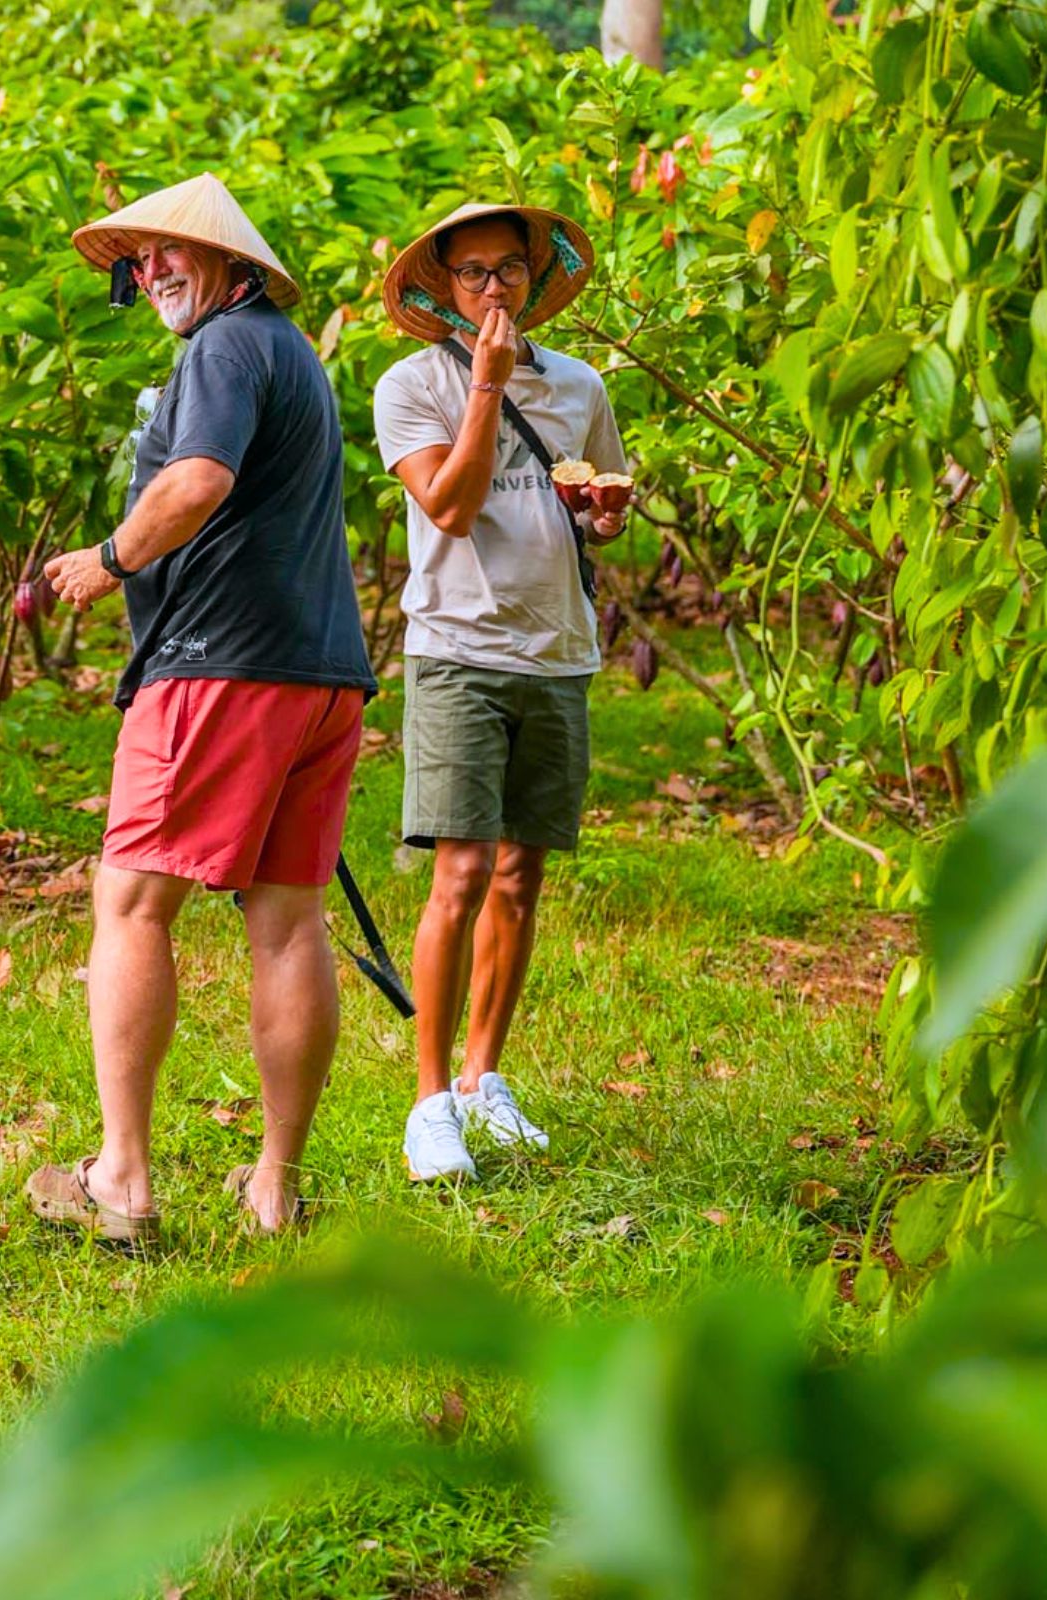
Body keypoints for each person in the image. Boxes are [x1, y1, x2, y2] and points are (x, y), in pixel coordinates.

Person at [25, 172, 377, 1245]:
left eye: (169, 252)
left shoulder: (222, 348)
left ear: (226, 262)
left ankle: (120, 1178)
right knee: (286, 922)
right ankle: (273, 1184)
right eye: (137, 261)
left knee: (132, 902)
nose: (151, 271)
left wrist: (106, 556)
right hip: (318, 675)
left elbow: (196, 483)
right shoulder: (290, 352)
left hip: (217, 670)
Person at [373, 203, 629, 1182]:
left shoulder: (577, 386)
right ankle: (428, 1099)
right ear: (439, 286)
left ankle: (485, 1079)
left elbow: (594, 493)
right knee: (460, 873)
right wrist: (484, 388)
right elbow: (448, 502)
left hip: (556, 653)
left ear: (533, 276)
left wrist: (603, 513)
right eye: (470, 273)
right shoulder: (410, 386)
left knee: (521, 879)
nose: (490, 289)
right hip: (457, 653)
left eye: (507, 271)